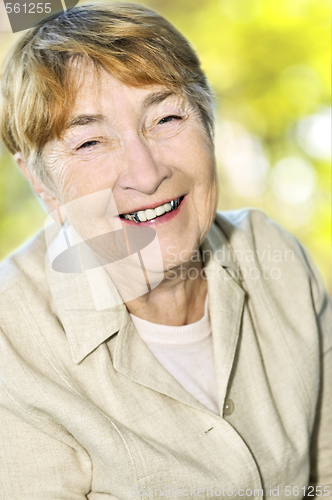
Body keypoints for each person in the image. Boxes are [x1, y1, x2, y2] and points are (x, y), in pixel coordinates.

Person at [0, 3, 331, 499]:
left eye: (166, 117)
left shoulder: (272, 253)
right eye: (90, 142)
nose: (147, 172)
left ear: (208, 123)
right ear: (43, 186)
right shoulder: (11, 345)